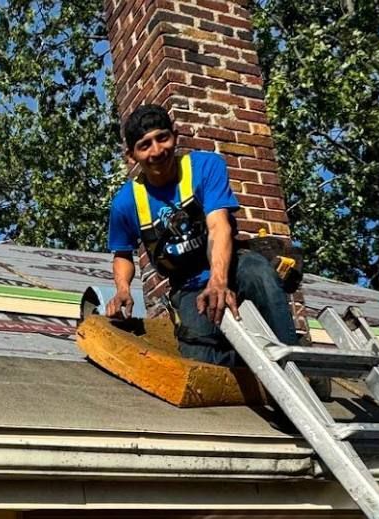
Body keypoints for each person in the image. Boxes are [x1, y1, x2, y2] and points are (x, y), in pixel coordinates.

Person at [106, 104, 298, 366]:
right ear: (131, 156)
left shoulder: (205, 167)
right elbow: (123, 253)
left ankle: (296, 364)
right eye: (145, 145)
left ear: (175, 135)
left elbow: (219, 226)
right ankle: (249, 362)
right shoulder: (125, 203)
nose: (157, 151)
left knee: (259, 274)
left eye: (163, 138)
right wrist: (123, 290)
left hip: (232, 265)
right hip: (187, 286)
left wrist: (219, 281)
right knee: (203, 362)